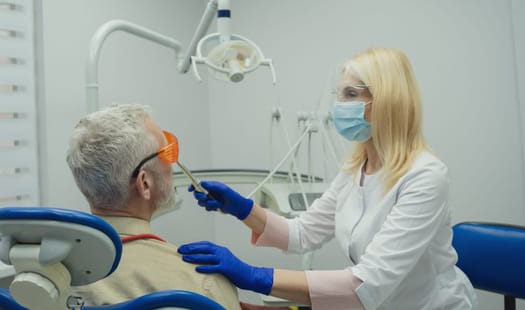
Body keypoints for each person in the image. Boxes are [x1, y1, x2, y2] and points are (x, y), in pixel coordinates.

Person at [177, 47, 479, 310]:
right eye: (339, 95)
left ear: (387, 101)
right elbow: (302, 234)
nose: (338, 106)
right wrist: (242, 209)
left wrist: (253, 276)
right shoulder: (355, 169)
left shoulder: (425, 177)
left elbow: (365, 283)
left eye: (351, 94)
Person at [66, 103, 241, 309]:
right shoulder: (202, 282)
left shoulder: (41, 277)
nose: (172, 164)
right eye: (167, 153)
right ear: (144, 183)